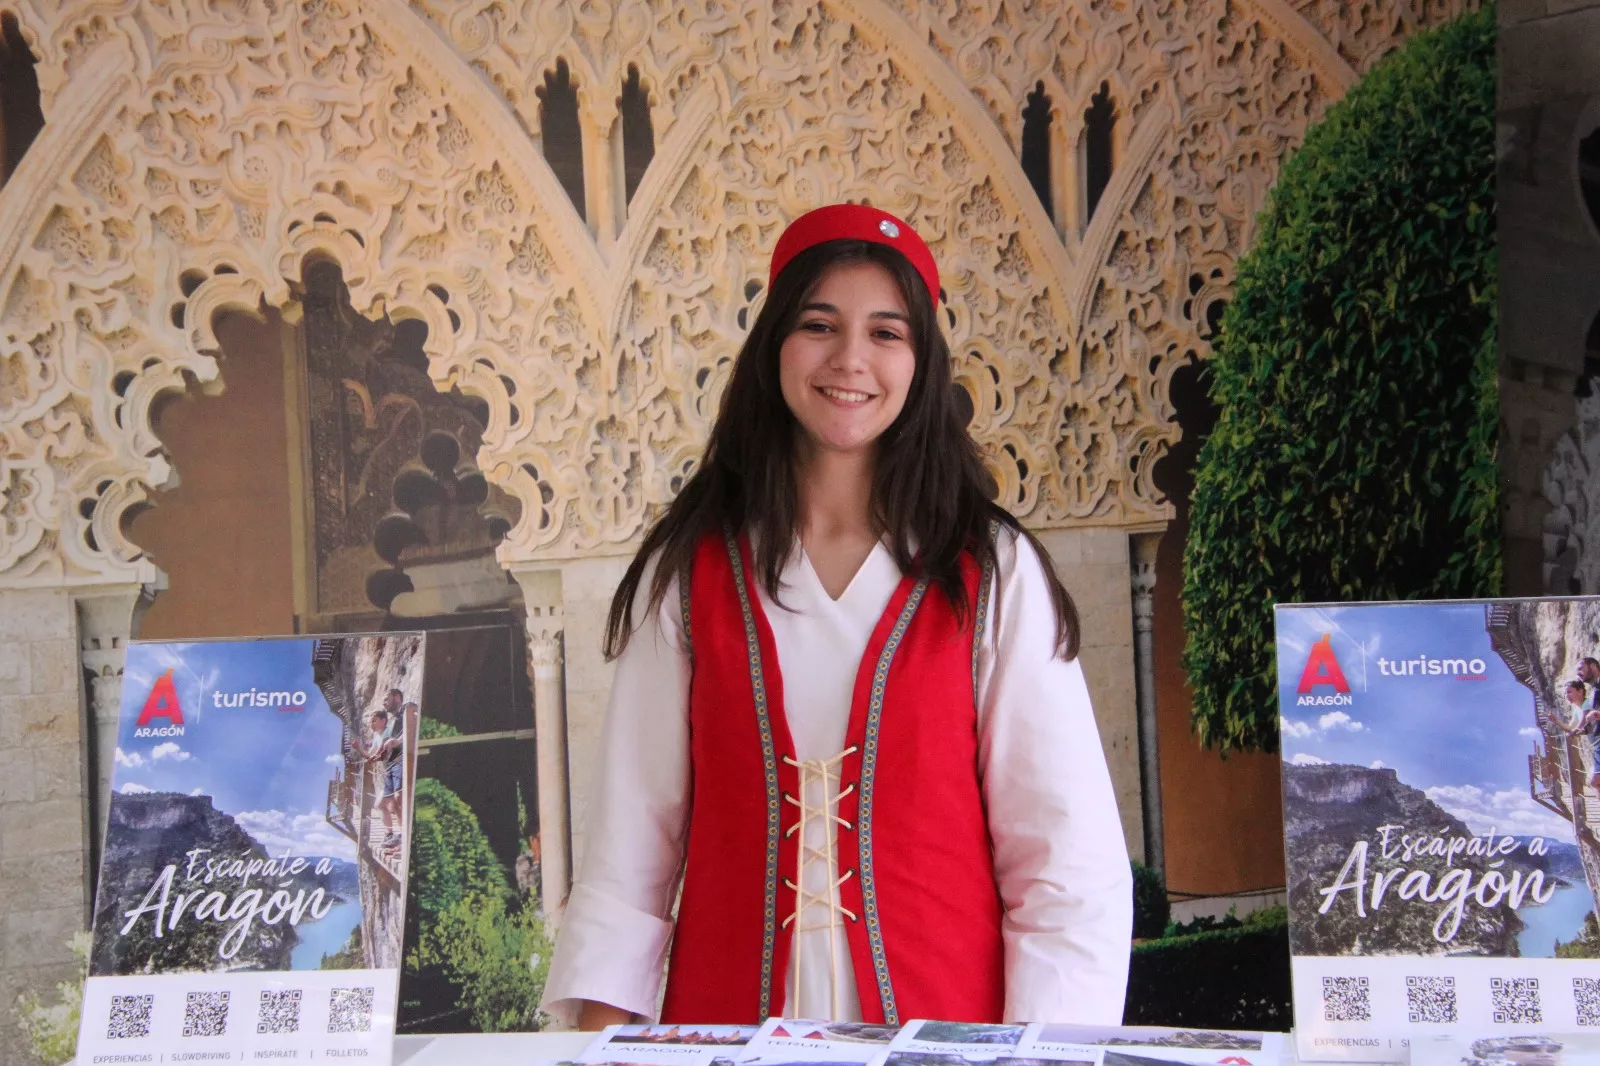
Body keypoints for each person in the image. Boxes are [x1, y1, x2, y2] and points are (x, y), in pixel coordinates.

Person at [540, 204, 1132, 1028]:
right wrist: (608, 1039)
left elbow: (1065, 864)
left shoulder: (992, 573)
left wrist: (1046, 1053)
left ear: (921, 362)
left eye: (887, 333)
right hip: (724, 1035)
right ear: (775, 344)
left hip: (944, 1039)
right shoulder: (691, 574)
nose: (851, 358)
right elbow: (631, 844)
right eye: (820, 325)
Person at [364, 690, 406, 849]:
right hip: (390, 767)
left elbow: (409, 729)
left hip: (399, 762)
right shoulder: (393, 722)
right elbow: (374, 754)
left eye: (386, 699)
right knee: (384, 803)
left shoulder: (403, 715)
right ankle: (393, 835)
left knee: (398, 800)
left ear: (396, 697)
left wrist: (396, 742)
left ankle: (401, 837)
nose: (384, 702)